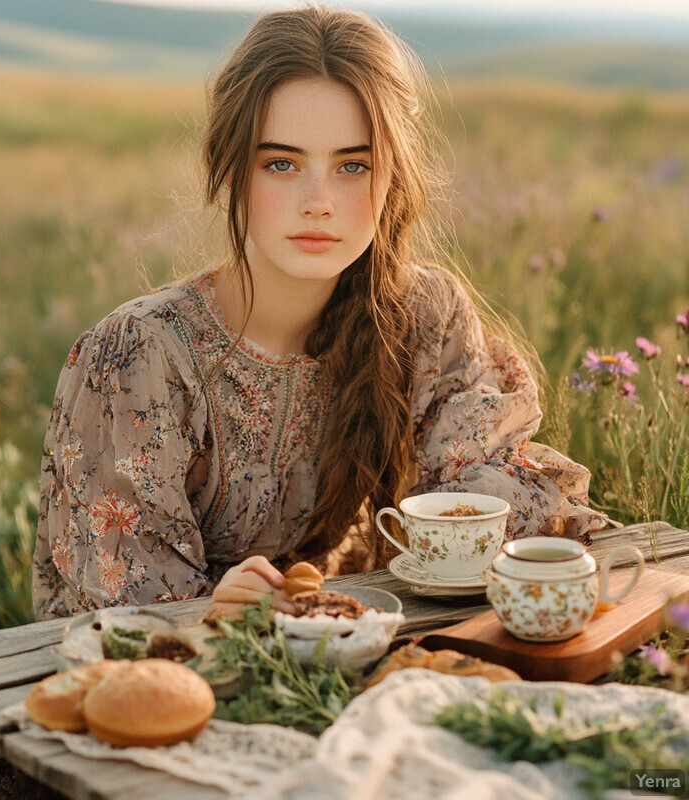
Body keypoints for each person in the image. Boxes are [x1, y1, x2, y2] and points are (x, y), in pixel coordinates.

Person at [32, 4, 608, 623]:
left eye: (352, 166)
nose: (319, 203)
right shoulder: (139, 358)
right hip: (184, 692)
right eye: (281, 163)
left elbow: (484, 507)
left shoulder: (422, 320)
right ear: (230, 168)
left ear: (394, 179)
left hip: (373, 659)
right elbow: (122, 621)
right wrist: (211, 614)